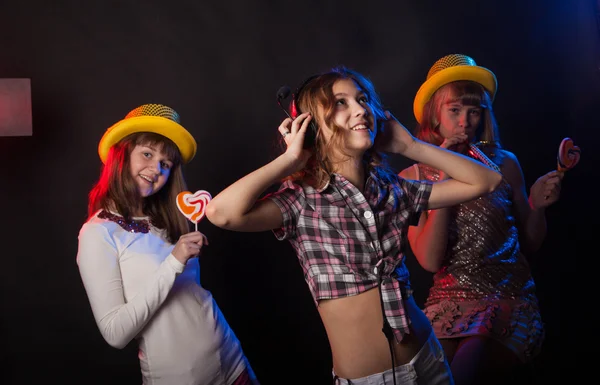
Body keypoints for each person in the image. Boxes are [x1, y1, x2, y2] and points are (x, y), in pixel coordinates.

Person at [205, 66, 502, 385]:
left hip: (427, 361)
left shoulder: (394, 188)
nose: (360, 108)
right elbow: (221, 213)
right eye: (340, 103)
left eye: (362, 99)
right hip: (367, 379)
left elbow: (487, 180)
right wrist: (291, 160)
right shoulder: (301, 202)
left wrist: (411, 147)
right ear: (309, 127)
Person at [400, 54, 563, 385]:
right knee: (428, 375)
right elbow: (430, 260)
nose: (465, 122)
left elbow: (530, 243)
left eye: (474, 111)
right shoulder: (413, 176)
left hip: (507, 298)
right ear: (435, 113)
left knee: (466, 370)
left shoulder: (504, 163)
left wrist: (538, 204)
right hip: (446, 303)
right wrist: (446, 172)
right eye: (455, 110)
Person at [76, 103, 259, 385]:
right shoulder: (98, 233)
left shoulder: (165, 219)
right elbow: (115, 333)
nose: (156, 169)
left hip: (232, 361)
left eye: (166, 163)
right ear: (122, 155)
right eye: (147, 154)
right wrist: (173, 261)